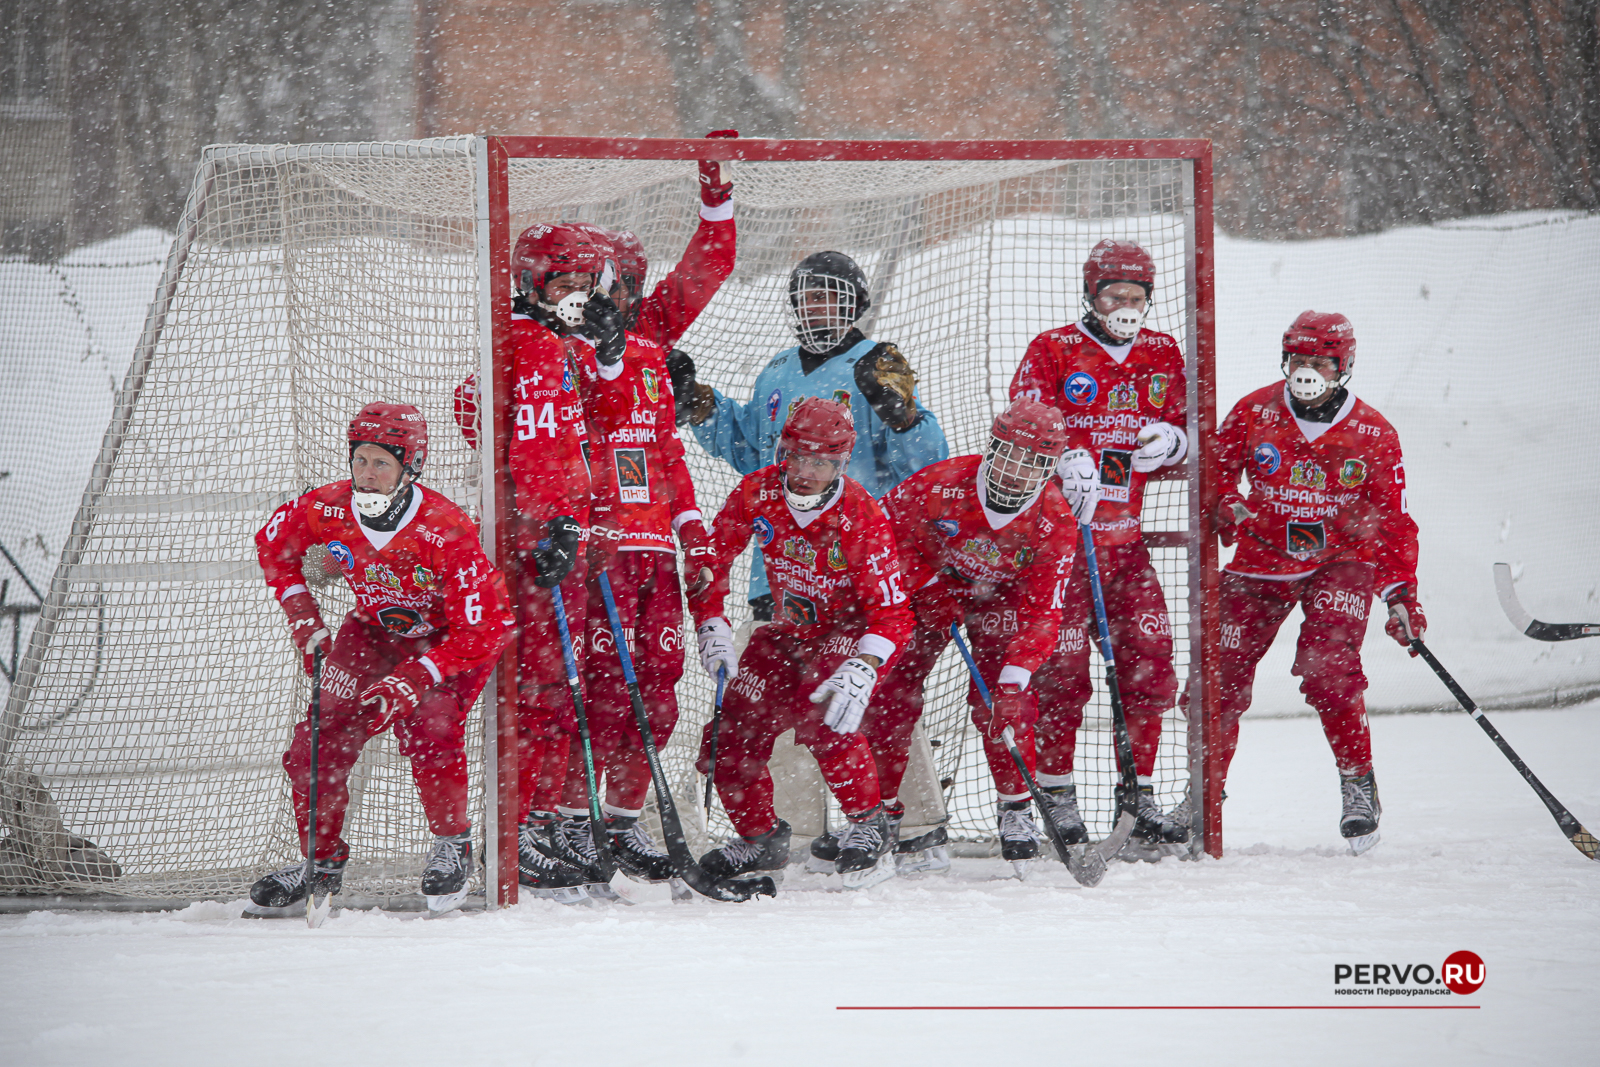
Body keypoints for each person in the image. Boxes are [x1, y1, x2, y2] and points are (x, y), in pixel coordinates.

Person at [250, 404, 514, 915]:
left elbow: (488, 628)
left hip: (446, 643)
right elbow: (273, 545)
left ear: (410, 467)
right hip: (373, 633)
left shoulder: (446, 528)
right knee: (317, 743)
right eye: (361, 460)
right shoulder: (327, 508)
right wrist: (304, 618)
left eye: (382, 464)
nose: (367, 475)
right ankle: (318, 863)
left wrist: (416, 677)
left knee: (430, 726)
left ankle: (452, 845)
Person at [843, 398, 1098, 876]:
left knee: (1001, 706)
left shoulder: (1054, 520)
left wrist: (1014, 680)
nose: (1017, 471)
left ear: (1050, 468)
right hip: (928, 590)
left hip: (1001, 597)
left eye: (1033, 462)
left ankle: (1016, 808)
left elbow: (1043, 613)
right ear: (992, 446)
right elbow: (881, 538)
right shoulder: (941, 483)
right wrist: (923, 582)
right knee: (890, 696)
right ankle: (883, 815)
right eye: (1010, 453)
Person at [1010, 238, 1192, 860]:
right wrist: (1060, 452)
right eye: (1115, 295)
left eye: (1137, 297)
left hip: (1125, 546)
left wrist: (1174, 441)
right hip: (1064, 546)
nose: (1127, 306)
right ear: (1091, 295)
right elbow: (1020, 417)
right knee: (1061, 677)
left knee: (1151, 666)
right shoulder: (1054, 349)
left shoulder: (1163, 352)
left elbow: (1191, 425)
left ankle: (1136, 795)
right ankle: (1057, 794)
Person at [686, 398, 915, 890]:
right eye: (799, 457)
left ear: (842, 462)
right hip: (788, 632)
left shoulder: (861, 516)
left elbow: (894, 613)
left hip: (846, 635)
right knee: (728, 736)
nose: (807, 472)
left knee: (825, 712)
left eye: (823, 462)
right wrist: (711, 623)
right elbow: (711, 559)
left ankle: (868, 823)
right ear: (783, 451)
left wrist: (865, 666)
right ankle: (760, 837)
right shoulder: (757, 492)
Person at [1213, 311, 1419, 854]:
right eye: (1300, 361)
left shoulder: (1374, 432)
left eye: (1321, 363)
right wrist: (1227, 504)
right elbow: (1215, 469)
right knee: (1218, 678)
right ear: (1286, 360)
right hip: (1260, 560)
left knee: (1329, 670)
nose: (1308, 372)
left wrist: (1401, 595)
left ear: (1343, 366)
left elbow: (1393, 522)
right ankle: (1205, 795)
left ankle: (1357, 783)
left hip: (1339, 561)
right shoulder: (1254, 410)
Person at [673, 250, 949, 618]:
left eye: (821, 296)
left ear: (852, 302)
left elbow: (927, 468)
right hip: (777, 568)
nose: (810, 307)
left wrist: (903, 419)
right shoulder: (777, 369)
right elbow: (754, 452)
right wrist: (701, 405)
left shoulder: (876, 366)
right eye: (802, 299)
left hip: (850, 568)